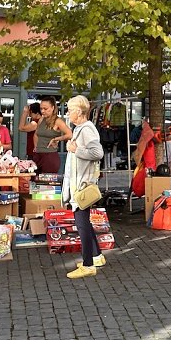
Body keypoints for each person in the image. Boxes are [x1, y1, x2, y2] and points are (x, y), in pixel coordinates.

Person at [62, 95, 105, 279]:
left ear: (79, 112)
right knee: (84, 222)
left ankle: (88, 264)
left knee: (82, 224)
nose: (68, 113)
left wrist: (75, 150)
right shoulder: (80, 128)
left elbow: (98, 153)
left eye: (70, 110)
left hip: (82, 185)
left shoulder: (87, 129)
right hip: (80, 183)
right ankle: (96, 256)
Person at [19, 98, 72, 173]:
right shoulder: (41, 119)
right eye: (41, 109)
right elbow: (36, 134)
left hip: (50, 156)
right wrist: (35, 147)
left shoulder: (58, 121)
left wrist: (57, 139)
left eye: (45, 109)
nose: (43, 111)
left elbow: (69, 134)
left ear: (53, 108)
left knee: (47, 182)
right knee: (34, 180)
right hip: (38, 155)